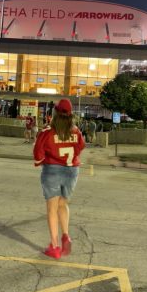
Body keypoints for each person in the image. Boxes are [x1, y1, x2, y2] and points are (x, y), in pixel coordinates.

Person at [33, 98, 85, 259]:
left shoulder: (47, 131)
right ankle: (66, 234)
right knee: (63, 204)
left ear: (55, 113)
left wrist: (44, 160)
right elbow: (80, 147)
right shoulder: (76, 131)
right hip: (72, 171)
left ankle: (55, 246)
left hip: (53, 170)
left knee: (52, 208)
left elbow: (38, 155)